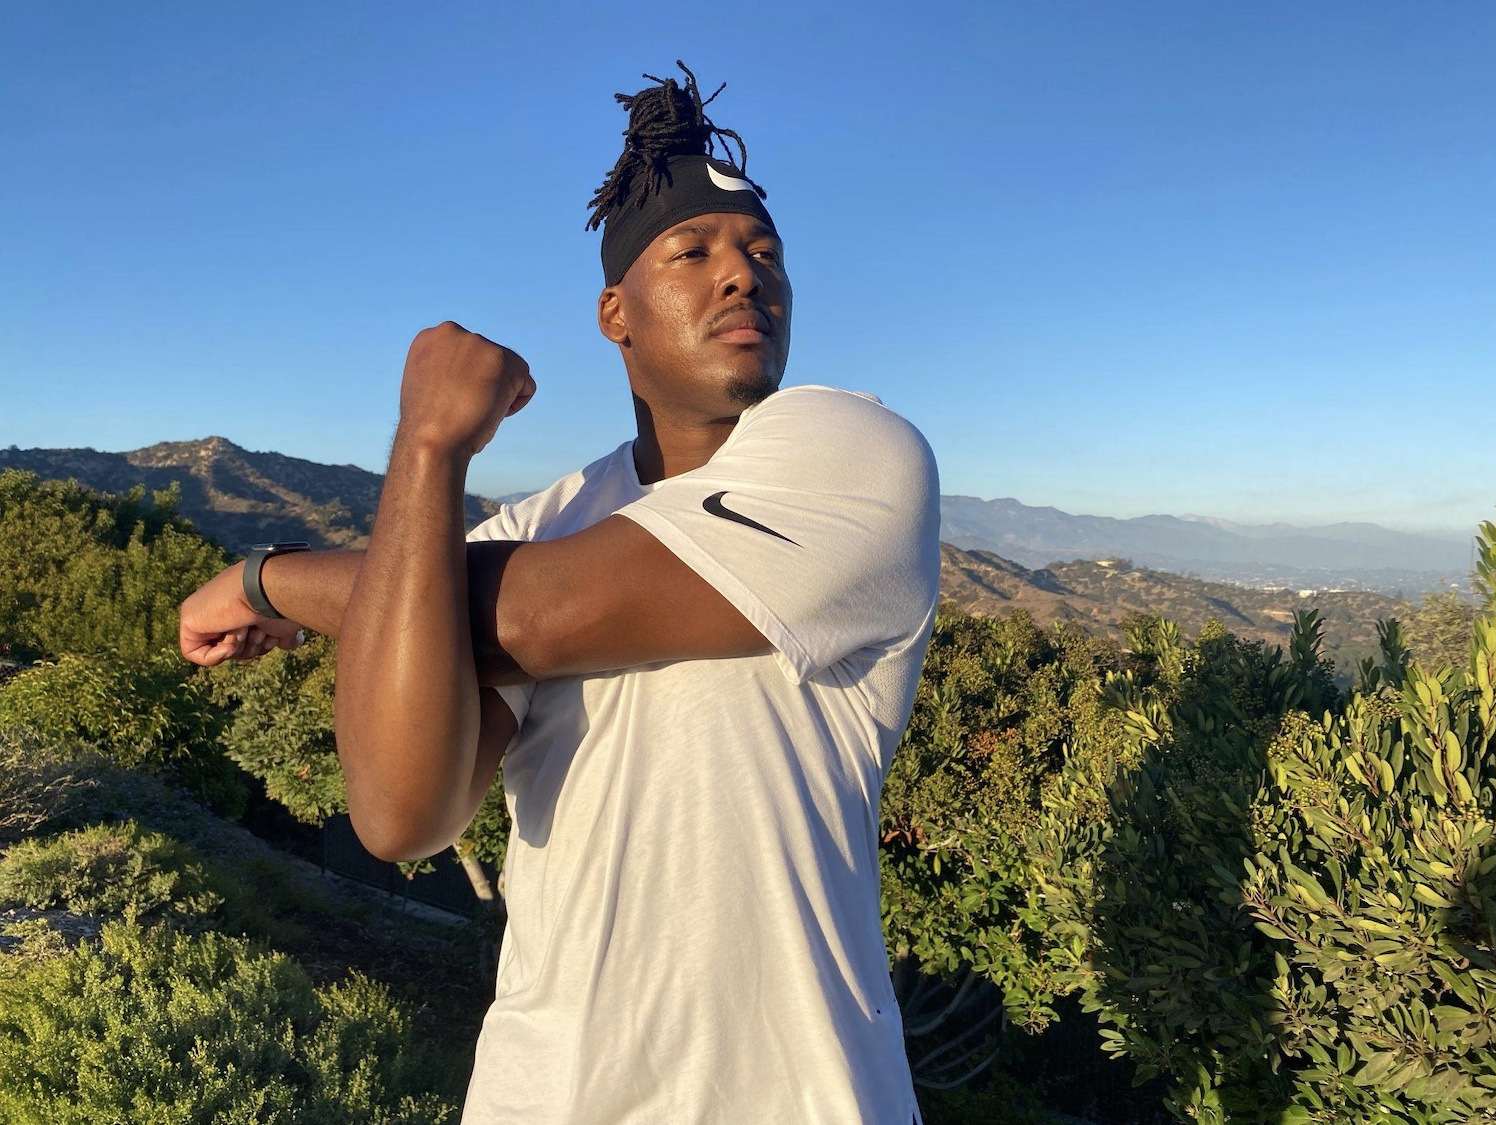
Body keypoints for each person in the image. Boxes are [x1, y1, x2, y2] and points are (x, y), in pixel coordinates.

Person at [179, 63, 939, 1125]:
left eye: (765, 253)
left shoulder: (851, 451)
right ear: (613, 313)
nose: (743, 276)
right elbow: (402, 815)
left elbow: (525, 613)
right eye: (695, 251)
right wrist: (430, 446)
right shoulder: (541, 521)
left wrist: (271, 577)